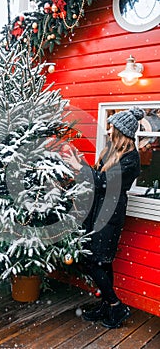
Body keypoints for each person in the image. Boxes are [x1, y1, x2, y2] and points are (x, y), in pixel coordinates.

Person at [63, 107, 145, 329]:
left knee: (97, 261)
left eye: (112, 128)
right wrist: (79, 167)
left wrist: (79, 167)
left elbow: (103, 182)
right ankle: (107, 306)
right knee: (99, 261)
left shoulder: (131, 160)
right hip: (96, 211)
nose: (108, 131)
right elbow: (98, 179)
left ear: (121, 132)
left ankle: (116, 306)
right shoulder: (111, 152)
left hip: (110, 214)